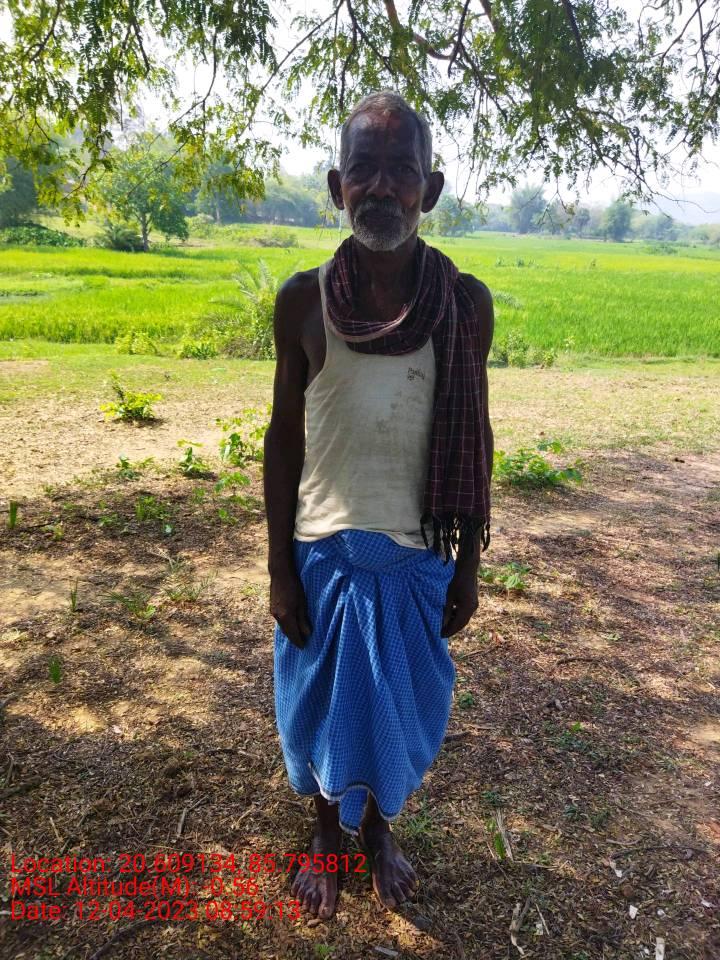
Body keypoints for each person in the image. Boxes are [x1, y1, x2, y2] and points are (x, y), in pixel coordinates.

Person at [263, 90, 494, 920]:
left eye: (403, 171)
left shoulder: (464, 304)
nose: (384, 188)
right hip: (324, 555)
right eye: (365, 170)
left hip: (415, 557)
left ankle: (379, 832)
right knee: (325, 707)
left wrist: (468, 566)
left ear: (431, 188)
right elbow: (283, 441)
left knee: (394, 710)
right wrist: (279, 568)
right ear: (337, 187)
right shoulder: (303, 300)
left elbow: (476, 435)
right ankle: (327, 834)